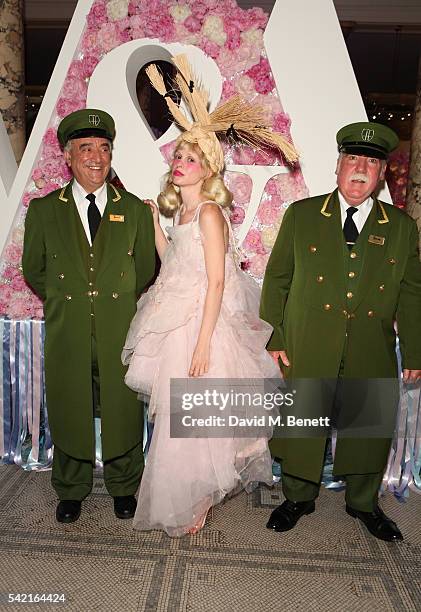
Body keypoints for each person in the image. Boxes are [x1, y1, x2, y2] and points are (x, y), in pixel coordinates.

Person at [121, 55, 298, 537]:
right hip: (177, 318)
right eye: (178, 157)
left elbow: (218, 281)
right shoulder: (183, 214)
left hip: (205, 324)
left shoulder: (211, 215)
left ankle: (196, 497)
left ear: (208, 170)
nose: (180, 164)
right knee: (180, 418)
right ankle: (185, 495)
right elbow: (173, 258)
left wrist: (202, 344)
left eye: (190, 159)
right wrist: (156, 224)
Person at [260, 121, 421, 542]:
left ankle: (364, 503)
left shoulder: (401, 227)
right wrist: (274, 335)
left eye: (371, 162)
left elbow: (411, 293)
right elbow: (277, 278)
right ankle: (298, 497)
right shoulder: (304, 215)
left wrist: (417, 353)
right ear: (338, 166)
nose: (361, 169)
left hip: (371, 343)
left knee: (367, 427)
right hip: (310, 339)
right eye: (353, 159)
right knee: (303, 423)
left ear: (382, 173)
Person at [22, 109, 156, 523]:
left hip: (119, 329)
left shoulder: (133, 208)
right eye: (85, 148)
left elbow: (147, 268)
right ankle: (71, 488)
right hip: (70, 328)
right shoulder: (44, 210)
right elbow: (35, 269)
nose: (96, 157)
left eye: (103, 148)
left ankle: (124, 486)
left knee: (122, 407)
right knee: (69, 404)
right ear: (67, 155)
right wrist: (71, 299)